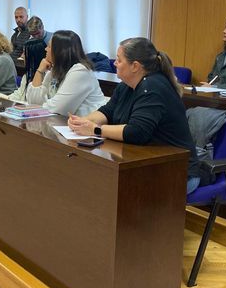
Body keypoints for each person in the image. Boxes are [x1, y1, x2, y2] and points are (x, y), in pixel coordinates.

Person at [68, 37, 201, 194]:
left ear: (135, 66)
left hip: (176, 171)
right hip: (146, 164)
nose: (114, 63)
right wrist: (83, 122)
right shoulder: (126, 86)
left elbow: (136, 132)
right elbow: (107, 111)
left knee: (106, 190)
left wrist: (95, 130)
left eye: (119, 60)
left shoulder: (153, 87)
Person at [25, 30, 105, 116]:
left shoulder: (80, 71)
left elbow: (58, 108)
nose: (45, 49)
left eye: (49, 46)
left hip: (89, 122)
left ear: (60, 51)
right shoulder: (54, 70)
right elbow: (33, 102)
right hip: (63, 121)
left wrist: (40, 106)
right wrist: (40, 71)